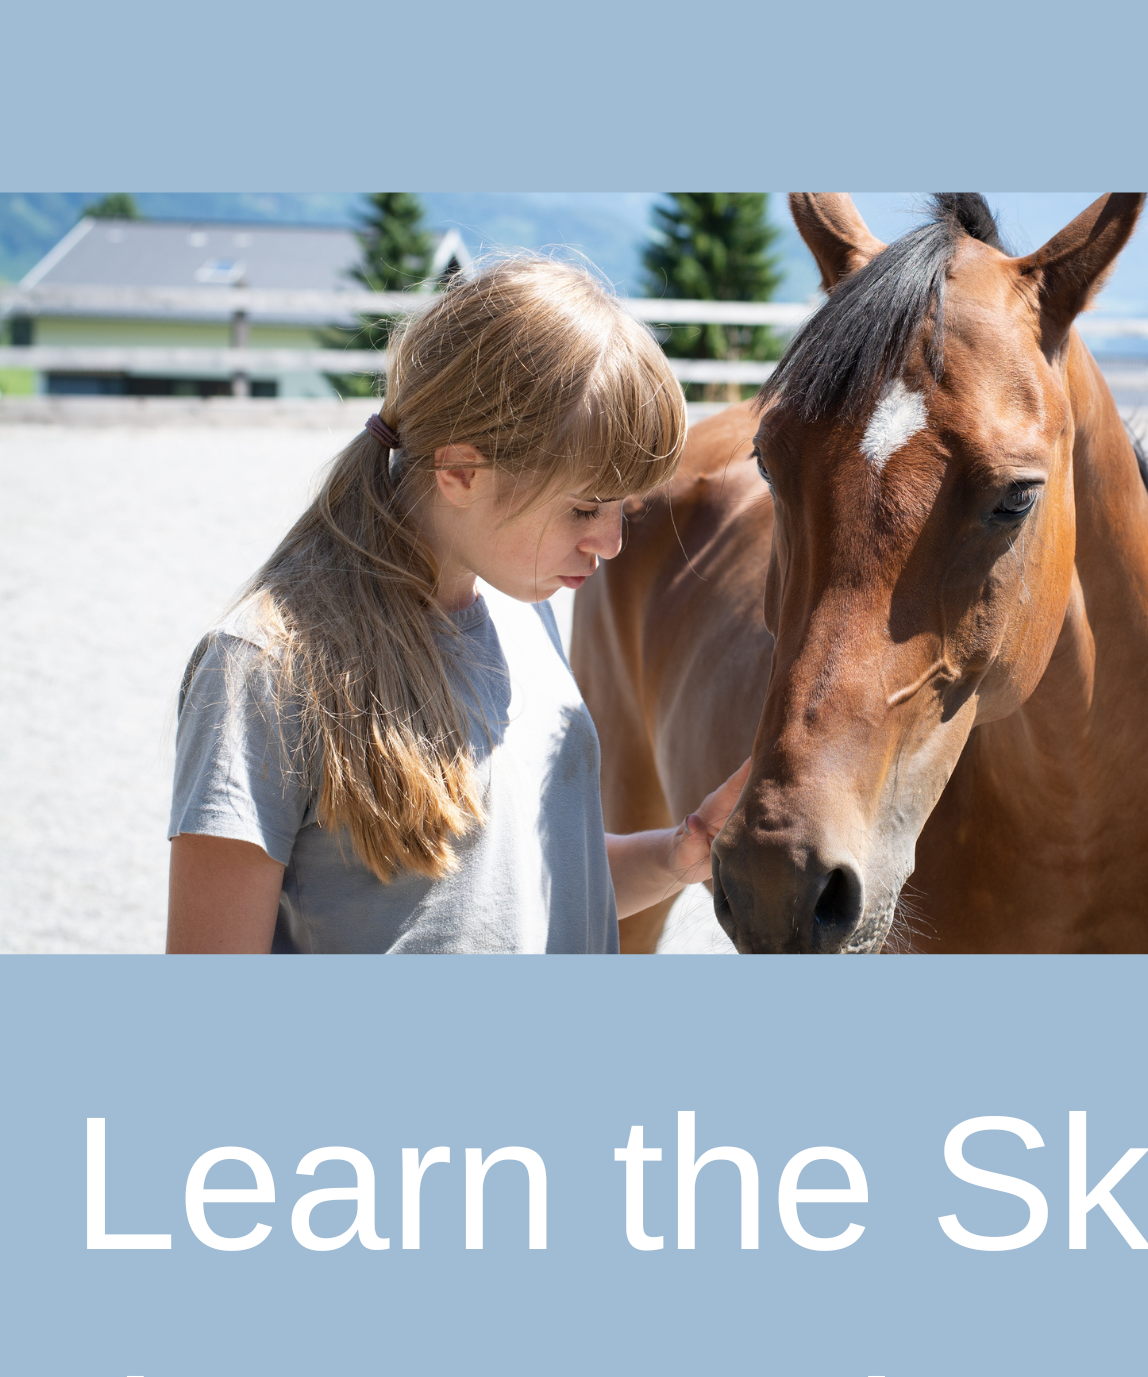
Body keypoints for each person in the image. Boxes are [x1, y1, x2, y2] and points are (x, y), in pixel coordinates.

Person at [166, 255, 746, 954]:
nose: (613, 544)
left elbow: (523, 889)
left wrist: (676, 857)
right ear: (461, 473)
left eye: (625, 510)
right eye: (585, 508)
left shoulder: (520, 613)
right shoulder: (262, 666)